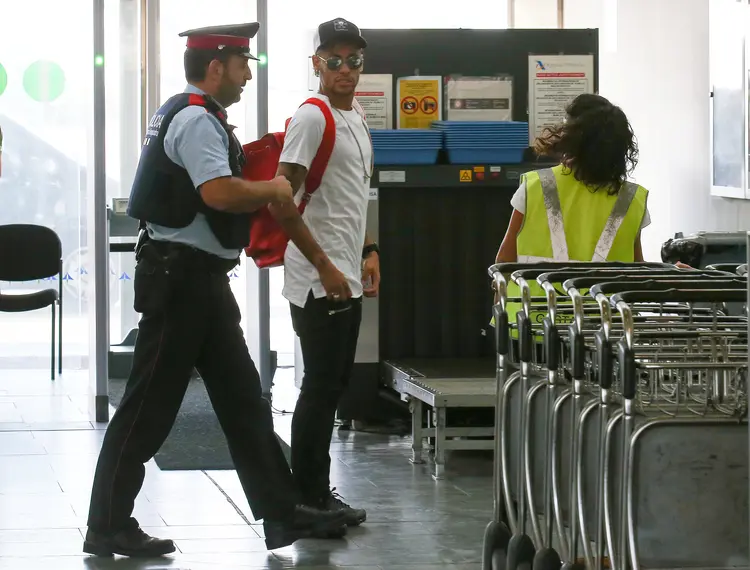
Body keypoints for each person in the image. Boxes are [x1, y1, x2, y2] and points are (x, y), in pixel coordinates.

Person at [84, 22, 349, 559]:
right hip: (182, 284)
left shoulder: (183, 110)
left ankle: (283, 510)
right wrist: (274, 187)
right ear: (215, 67)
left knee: (243, 401)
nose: (248, 74)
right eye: (242, 64)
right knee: (147, 408)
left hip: (199, 281)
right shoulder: (197, 120)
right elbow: (220, 193)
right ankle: (107, 523)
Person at [268, 18, 379, 527]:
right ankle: (307, 496)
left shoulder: (356, 115)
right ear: (316, 64)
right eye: (333, 61)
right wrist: (324, 265)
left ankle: (313, 491)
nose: (344, 70)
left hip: (346, 273)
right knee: (320, 387)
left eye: (353, 61)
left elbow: (357, 194)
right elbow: (279, 199)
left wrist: (369, 250)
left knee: (331, 385)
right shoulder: (312, 118)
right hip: (319, 278)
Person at [495, 93, 650, 266]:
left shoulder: (536, 186)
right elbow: (639, 269)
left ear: (571, 138)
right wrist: (673, 273)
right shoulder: (631, 199)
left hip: (538, 294)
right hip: (604, 295)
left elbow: (503, 261)